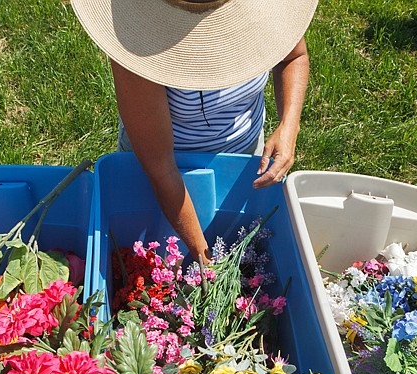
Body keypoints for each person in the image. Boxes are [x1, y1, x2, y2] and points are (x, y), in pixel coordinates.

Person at [69, 0, 319, 263]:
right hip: (169, 166)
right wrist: (205, 259)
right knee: (156, 249)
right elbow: (161, 169)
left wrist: (288, 126)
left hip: (244, 151)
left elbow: (294, 57)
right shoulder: (138, 43)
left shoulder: (262, 10)